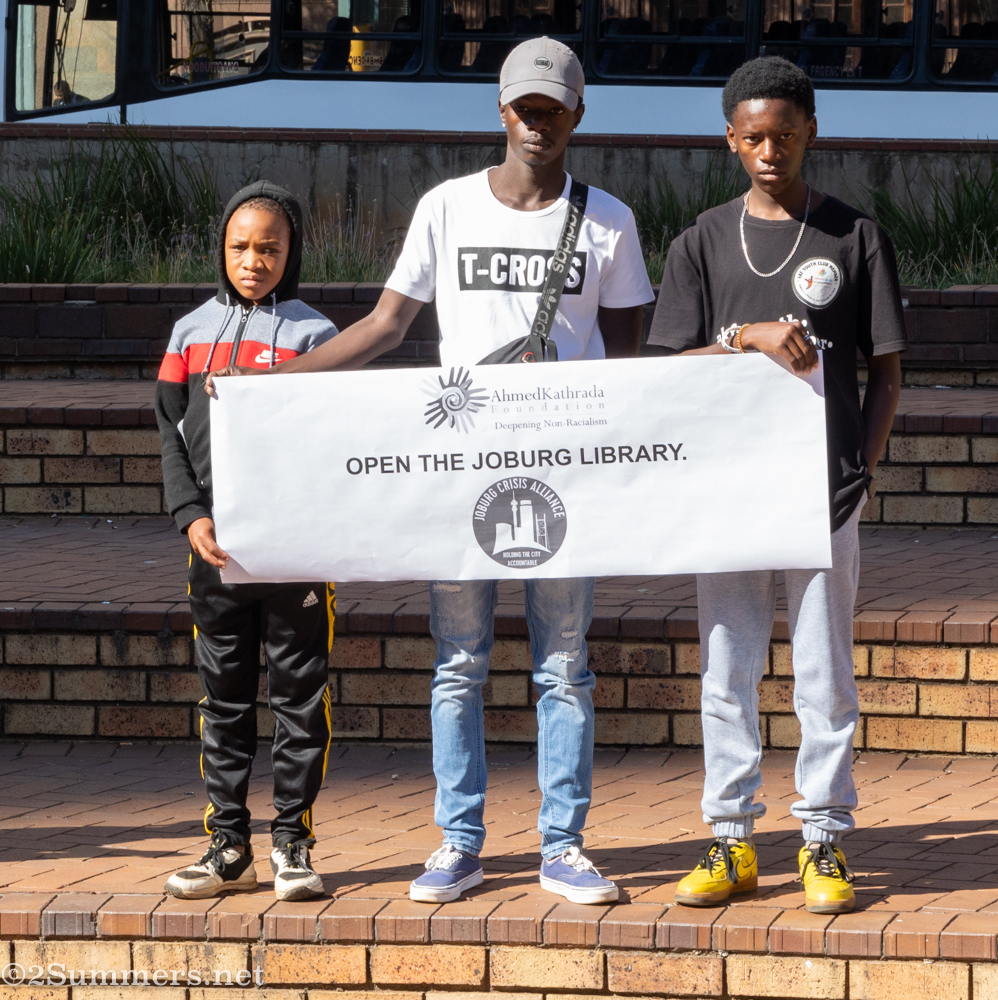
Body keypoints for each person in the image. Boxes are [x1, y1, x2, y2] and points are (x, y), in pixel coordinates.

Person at [206, 37, 654, 905]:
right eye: (525, 108)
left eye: (553, 110)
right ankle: (459, 842)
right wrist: (269, 388)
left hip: (562, 477)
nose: (538, 124)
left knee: (564, 666)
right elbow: (384, 327)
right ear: (500, 108)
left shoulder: (609, 221)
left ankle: (563, 845)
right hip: (463, 475)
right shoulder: (447, 208)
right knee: (459, 663)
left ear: (578, 116)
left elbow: (627, 368)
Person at [646, 56, 905, 914]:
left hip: (823, 494)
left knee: (824, 675)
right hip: (728, 496)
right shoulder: (701, 242)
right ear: (730, 138)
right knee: (728, 668)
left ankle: (823, 839)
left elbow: (887, 369)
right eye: (754, 137)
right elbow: (670, 367)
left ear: (811, 135)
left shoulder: (852, 234)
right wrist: (746, 336)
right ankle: (730, 839)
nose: (769, 150)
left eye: (785, 136)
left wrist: (860, 469)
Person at [156, 181, 338, 901]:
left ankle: (292, 843)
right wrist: (189, 516)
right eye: (240, 246)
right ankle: (227, 845)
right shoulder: (189, 333)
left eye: (270, 247)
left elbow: (336, 440)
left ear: (291, 253)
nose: (253, 260)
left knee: (299, 698)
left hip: (294, 552)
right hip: (216, 552)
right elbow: (170, 436)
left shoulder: (314, 335)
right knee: (223, 700)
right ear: (220, 250)